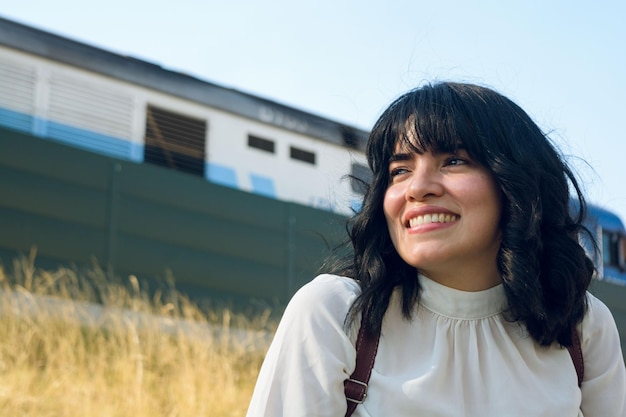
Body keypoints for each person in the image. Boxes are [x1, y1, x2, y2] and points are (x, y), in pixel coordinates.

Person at [245, 82, 626, 416]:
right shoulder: (335, 314)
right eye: (400, 170)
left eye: (454, 161)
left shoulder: (582, 327)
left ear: (516, 184)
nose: (417, 188)